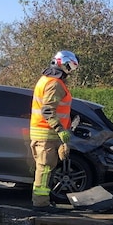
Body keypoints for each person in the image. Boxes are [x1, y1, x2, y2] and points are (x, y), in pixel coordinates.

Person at [30, 50, 79, 211]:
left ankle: (43, 201)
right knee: (44, 169)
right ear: (62, 63)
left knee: (45, 168)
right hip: (47, 133)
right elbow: (48, 110)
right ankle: (41, 204)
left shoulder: (45, 79)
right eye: (70, 66)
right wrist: (60, 129)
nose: (70, 71)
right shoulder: (54, 83)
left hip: (44, 132)